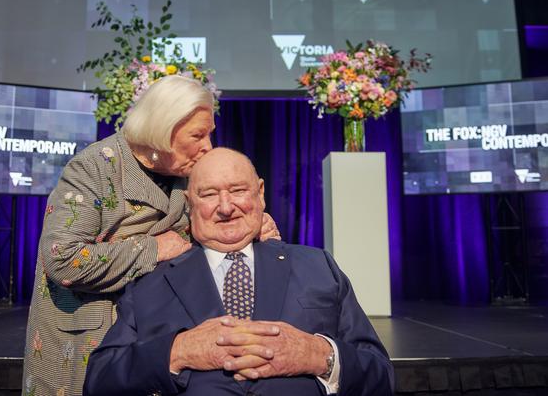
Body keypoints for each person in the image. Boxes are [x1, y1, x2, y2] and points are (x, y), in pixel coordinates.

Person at [22, 77, 279, 396]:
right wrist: (153, 248)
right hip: (87, 336)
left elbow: (209, 227)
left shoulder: (187, 172)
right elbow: (63, 259)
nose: (208, 147)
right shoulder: (93, 169)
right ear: (162, 130)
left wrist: (253, 224)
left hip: (155, 334)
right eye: (198, 135)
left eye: (209, 134)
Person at [84, 147, 394, 396]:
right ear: (190, 204)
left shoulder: (318, 266)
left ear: (260, 193)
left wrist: (319, 356)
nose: (226, 206)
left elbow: (380, 375)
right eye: (208, 194)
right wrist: (176, 352)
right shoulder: (151, 282)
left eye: (237, 190)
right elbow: (100, 380)